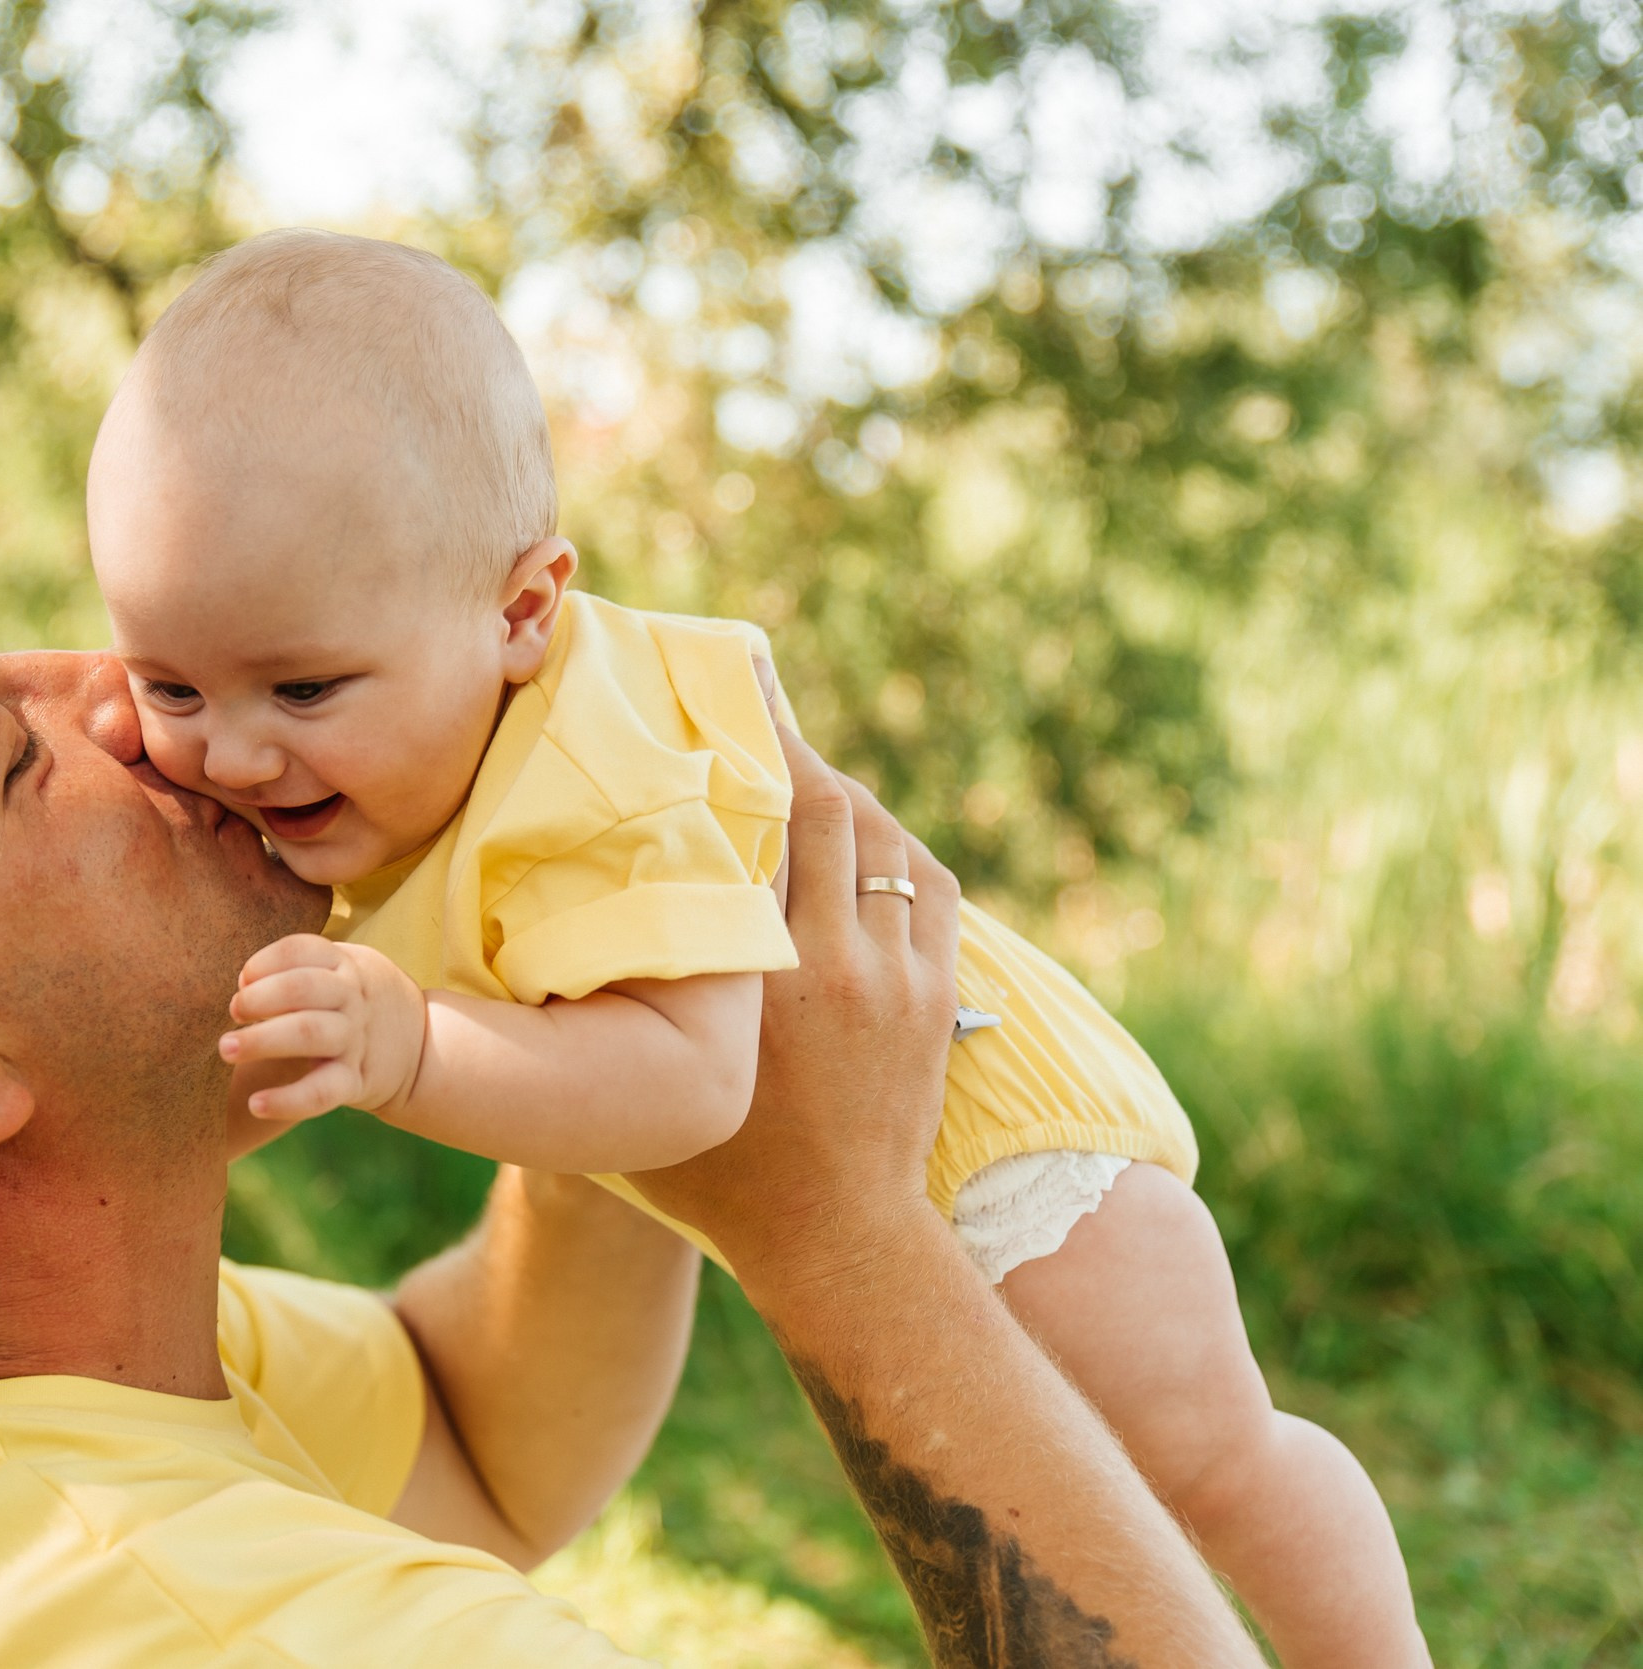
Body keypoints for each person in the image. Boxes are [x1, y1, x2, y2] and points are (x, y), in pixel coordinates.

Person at [0, 547, 1261, 1666]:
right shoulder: (213, 1625)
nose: (129, 693)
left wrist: (613, 1002)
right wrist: (838, 1229)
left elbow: (475, 1433)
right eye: (15, 749)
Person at [85, 230, 1428, 1668]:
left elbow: (696, 1082)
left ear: (524, 612)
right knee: (1144, 1480)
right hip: (903, 1147)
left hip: (1004, 1148)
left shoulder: (594, 772)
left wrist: (410, 1045)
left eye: (301, 685)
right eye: (170, 679)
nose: (227, 749)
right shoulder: (398, 753)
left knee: (1205, 1457)